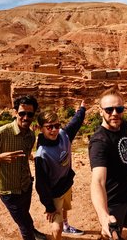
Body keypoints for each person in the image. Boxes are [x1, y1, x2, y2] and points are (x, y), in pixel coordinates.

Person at [0, 95, 47, 240]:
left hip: (26, 186)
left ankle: (33, 230)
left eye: (30, 114)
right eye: (22, 113)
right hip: (9, 191)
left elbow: (26, 155)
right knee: (24, 226)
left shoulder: (31, 135)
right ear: (15, 112)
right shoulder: (2, 133)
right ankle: (31, 233)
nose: (26, 117)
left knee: (25, 215)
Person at [89, 87, 127, 239]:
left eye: (119, 109)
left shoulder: (122, 127)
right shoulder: (99, 141)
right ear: (100, 111)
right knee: (111, 233)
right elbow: (97, 181)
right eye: (109, 110)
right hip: (113, 202)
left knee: (120, 229)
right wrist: (103, 216)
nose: (115, 113)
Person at [34, 101, 86, 240]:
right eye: (49, 127)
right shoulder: (42, 155)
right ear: (41, 129)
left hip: (66, 184)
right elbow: (41, 184)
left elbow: (75, 123)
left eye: (57, 126)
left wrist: (81, 109)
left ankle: (66, 226)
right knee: (56, 226)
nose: (54, 130)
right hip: (55, 192)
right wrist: (49, 206)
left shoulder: (64, 135)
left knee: (65, 209)